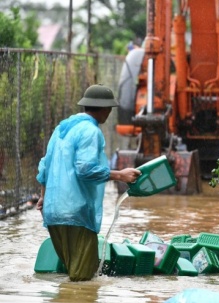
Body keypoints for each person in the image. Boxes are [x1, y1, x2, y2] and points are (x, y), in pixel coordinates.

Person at [36, 84, 141, 281]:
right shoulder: (91, 131)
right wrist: (121, 175)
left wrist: (43, 197)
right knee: (83, 279)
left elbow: (44, 167)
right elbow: (86, 170)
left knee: (72, 273)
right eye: (109, 109)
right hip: (76, 213)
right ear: (103, 109)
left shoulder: (61, 129)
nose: (109, 113)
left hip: (52, 213)